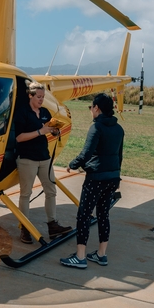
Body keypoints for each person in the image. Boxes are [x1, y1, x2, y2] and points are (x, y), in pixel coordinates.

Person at [61, 93, 124, 268]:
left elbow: (86, 153)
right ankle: (101, 254)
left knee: (84, 216)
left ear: (96, 108)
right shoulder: (119, 129)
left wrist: (72, 164)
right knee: (103, 215)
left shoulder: (96, 127)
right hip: (112, 177)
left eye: (91, 108)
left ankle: (80, 257)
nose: (91, 111)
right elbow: (119, 156)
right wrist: (115, 175)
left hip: (96, 179)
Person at [14, 82, 72, 244]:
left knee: (51, 191)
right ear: (30, 96)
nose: (41, 100)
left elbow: (48, 130)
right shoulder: (22, 113)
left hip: (45, 158)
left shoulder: (45, 112)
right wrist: (40, 131)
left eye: (43, 97)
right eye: (38, 97)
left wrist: (54, 131)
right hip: (27, 159)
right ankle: (25, 228)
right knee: (25, 194)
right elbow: (18, 138)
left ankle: (52, 225)